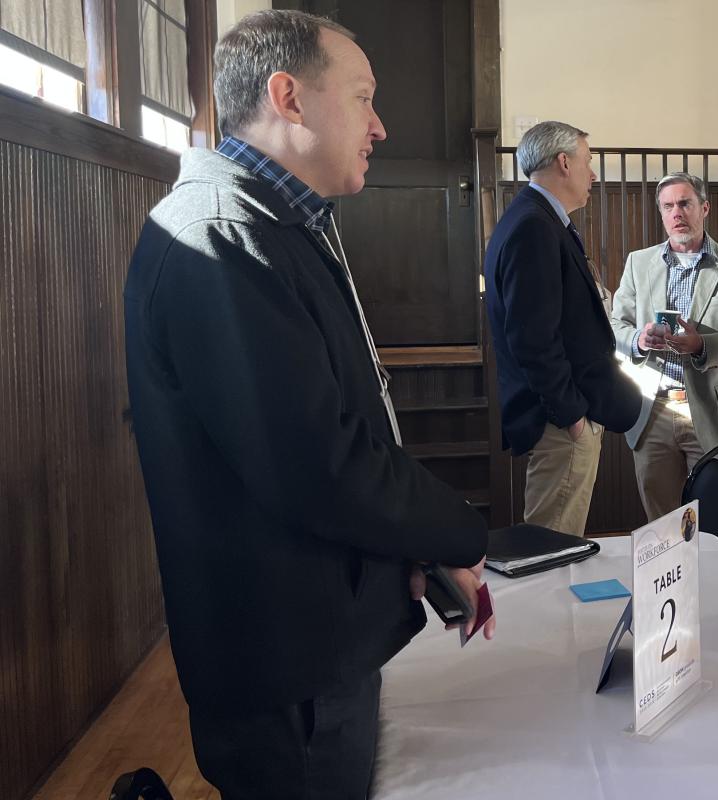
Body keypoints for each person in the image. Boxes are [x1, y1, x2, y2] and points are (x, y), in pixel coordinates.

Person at [124, 11, 493, 798]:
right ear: (287, 97)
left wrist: (412, 549)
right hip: (284, 659)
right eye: (363, 97)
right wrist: (458, 527)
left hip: (315, 636)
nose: (381, 126)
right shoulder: (223, 237)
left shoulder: (277, 221)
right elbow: (317, 463)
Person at [484, 121, 640, 535]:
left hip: (565, 412)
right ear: (564, 162)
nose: (593, 175)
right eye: (588, 162)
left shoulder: (533, 218)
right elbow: (532, 338)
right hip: (560, 420)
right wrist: (571, 414)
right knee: (552, 548)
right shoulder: (534, 225)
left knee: (558, 545)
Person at [609, 173, 718, 520]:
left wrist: (700, 345)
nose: (677, 212)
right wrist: (638, 339)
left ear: (703, 208)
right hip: (652, 410)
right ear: (661, 214)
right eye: (668, 206)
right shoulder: (638, 263)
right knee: (662, 525)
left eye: (684, 203)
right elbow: (615, 326)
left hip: (711, 411)